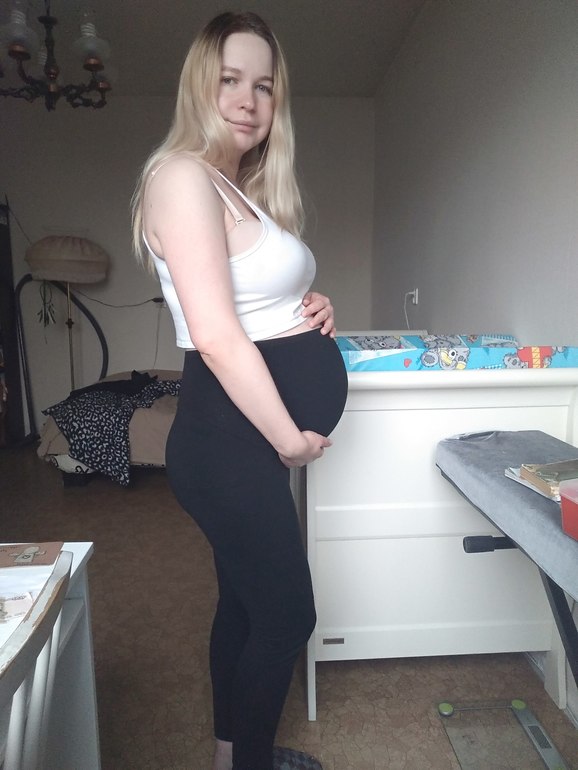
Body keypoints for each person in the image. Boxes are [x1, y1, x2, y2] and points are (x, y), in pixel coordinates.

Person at [132, 11, 348, 770]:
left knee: (245, 604)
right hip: (230, 444)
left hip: (241, 444)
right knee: (288, 617)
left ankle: (231, 755)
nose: (248, 101)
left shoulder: (232, 186)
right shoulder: (181, 177)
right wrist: (291, 441)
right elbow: (218, 335)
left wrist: (310, 307)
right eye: (230, 80)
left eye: (263, 85)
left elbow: (257, 305)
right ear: (199, 83)